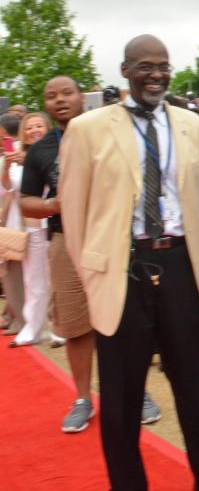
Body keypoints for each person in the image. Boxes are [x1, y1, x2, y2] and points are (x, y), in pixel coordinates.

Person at [59, 36, 199, 490]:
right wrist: (96, 274)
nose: (156, 74)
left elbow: (198, 201)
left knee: (192, 388)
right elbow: (73, 216)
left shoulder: (192, 125)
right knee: (120, 399)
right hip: (122, 273)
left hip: (180, 269)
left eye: (163, 66)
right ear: (126, 70)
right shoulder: (88, 129)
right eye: (146, 66)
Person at [19, 76, 97, 433]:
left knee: (123, 323)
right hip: (64, 243)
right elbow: (26, 203)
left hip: (110, 242)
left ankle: (135, 392)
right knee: (76, 327)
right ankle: (83, 399)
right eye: (51, 96)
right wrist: (54, 204)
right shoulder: (41, 150)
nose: (60, 100)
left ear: (82, 97)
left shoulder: (105, 136)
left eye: (67, 93)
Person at [5, 112, 54, 347]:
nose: (34, 130)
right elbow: (7, 189)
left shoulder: (58, 151)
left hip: (56, 225)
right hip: (30, 228)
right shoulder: (16, 158)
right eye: (30, 126)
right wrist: (7, 166)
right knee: (33, 281)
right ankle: (33, 328)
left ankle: (61, 328)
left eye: (39, 126)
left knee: (60, 280)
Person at [0, 113, 26, 337]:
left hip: (13, 224)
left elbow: (7, 192)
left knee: (12, 274)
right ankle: (14, 316)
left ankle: (19, 319)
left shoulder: (14, 156)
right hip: (14, 222)